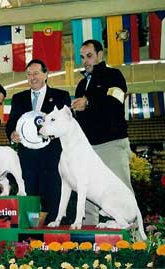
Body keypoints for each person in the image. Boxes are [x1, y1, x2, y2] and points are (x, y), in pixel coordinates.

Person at [71, 39, 133, 225]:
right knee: (88, 192)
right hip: (88, 149)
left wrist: (89, 102)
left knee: (122, 189)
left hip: (112, 144)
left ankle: (134, 237)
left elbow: (116, 102)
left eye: (89, 56)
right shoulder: (82, 84)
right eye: (82, 57)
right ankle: (90, 238)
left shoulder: (114, 75)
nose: (85, 61)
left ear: (100, 55)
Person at [6, 59, 71, 223]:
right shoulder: (18, 98)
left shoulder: (61, 96)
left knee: (53, 197)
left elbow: (67, 125)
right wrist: (12, 133)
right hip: (27, 160)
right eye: (28, 74)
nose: (32, 77)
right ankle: (28, 237)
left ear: (46, 74)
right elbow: (11, 122)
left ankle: (54, 236)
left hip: (52, 159)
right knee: (29, 198)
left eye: (36, 73)